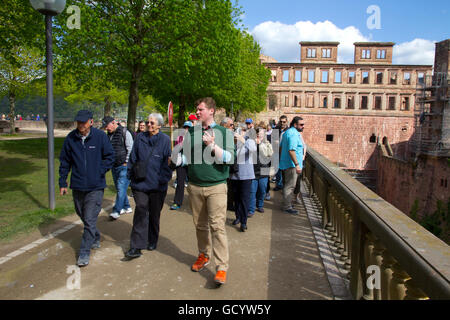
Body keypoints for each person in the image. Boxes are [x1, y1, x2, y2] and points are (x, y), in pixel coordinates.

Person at [184, 97, 234, 286]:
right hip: (195, 186)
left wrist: (213, 146)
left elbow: (229, 159)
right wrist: (176, 159)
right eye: (197, 109)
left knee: (217, 226)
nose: (197, 112)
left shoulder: (224, 132)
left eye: (200, 109)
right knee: (200, 225)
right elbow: (187, 157)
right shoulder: (192, 132)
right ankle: (204, 255)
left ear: (211, 111)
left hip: (216, 186)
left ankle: (221, 267)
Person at [59, 110, 114, 267]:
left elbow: (109, 156)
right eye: (78, 122)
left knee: (89, 218)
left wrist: (99, 171)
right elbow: (64, 162)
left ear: (91, 122)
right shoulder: (71, 138)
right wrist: (63, 182)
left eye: (83, 122)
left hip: (95, 186)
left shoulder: (100, 137)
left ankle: (84, 252)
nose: (80, 125)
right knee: (82, 214)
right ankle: (95, 235)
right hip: (78, 185)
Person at [125, 113, 172, 259]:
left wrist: (163, 179)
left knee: (154, 214)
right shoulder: (140, 137)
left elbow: (168, 163)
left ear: (159, 125)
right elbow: (133, 157)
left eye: (152, 123)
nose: (149, 125)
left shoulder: (165, 140)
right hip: (140, 184)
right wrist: (129, 175)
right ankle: (136, 246)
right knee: (140, 210)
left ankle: (152, 239)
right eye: (148, 122)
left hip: (158, 186)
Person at [101, 116, 134, 220]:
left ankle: (116, 211)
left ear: (113, 122)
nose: (107, 128)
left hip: (124, 166)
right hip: (114, 166)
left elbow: (130, 148)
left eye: (107, 126)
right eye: (105, 127)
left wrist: (126, 162)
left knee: (120, 188)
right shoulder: (109, 135)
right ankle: (127, 207)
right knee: (120, 189)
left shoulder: (125, 132)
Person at [230, 124, 256, 230]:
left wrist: (242, 140)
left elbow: (253, 149)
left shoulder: (249, 140)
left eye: (243, 130)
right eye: (238, 130)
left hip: (246, 175)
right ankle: (238, 217)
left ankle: (244, 221)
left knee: (244, 199)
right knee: (236, 198)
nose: (240, 132)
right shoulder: (233, 142)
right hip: (234, 175)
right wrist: (235, 143)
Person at [279, 116, 305, 215]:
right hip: (291, 165)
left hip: (286, 163)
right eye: (301, 124)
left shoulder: (287, 132)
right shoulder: (293, 134)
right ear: (295, 124)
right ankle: (287, 207)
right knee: (290, 186)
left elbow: (281, 148)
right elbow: (291, 150)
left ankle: (287, 203)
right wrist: (297, 164)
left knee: (287, 185)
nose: (303, 126)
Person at [248, 123, 273, 216]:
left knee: (262, 190)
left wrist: (260, 144)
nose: (259, 135)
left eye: (261, 133)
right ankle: (251, 209)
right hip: (253, 169)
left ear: (264, 134)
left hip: (264, 169)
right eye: (257, 133)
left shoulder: (267, 144)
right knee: (252, 191)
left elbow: (269, 154)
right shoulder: (250, 143)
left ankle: (260, 205)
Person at [170, 121, 192, 210]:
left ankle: (196, 201)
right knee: (180, 183)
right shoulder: (179, 137)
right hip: (181, 163)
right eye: (185, 127)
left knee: (194, 184)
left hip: (192, 164)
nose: (186, 129)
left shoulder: (195, 138)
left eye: (188, 128)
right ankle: (177, 202)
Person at [220, 117, 235, 211]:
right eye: (231, 125)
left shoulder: (231, 134)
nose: (233, 127)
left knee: (231, 187)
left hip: (231, 167)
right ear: (224, 125)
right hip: (222, 167)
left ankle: (229, 204)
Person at [273, 115, 288, 191]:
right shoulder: (276, 129)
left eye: (284, 122)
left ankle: (284, 186)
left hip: (285, 153)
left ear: (286, 122)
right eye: (281, 121)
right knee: (277, 170)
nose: (282, 123)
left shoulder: (288, 130)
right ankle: (279, 185)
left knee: (285, 171)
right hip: (277, 152)